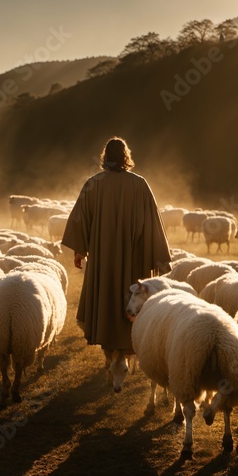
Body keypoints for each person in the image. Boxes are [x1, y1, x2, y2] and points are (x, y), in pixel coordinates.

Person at [61, 137, 171, 384]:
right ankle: (129, 350)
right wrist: (159, 260)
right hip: (135, 260)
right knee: (132, 295)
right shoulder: (140, 185)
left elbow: (80, 219)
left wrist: (79, 250)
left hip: (103, 260)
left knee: (107, 297)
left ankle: (109, 355)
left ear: (104, 157)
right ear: (125, 157)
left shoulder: (93, 184)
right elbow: (153, 224)